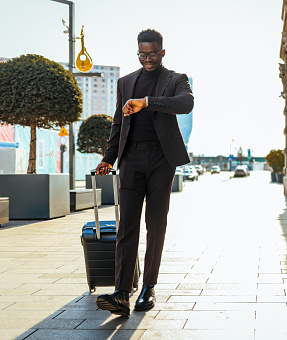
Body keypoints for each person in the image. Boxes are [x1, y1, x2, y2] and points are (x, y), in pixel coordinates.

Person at [94, 29, 193, 317]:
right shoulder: (125, 82)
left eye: (152, 54)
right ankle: (122, 293)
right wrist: (109, 158)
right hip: (131, 159)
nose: (147, 59)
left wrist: (147, 102)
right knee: (127, 226)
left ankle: (148, 287)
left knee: (156, 223)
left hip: (162, 159)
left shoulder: (176, 80)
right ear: (137, 53)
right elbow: (117, 124)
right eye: (142, 54)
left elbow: (186, 104)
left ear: (162, 53)